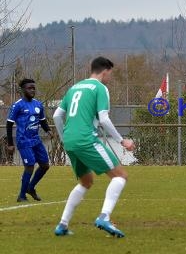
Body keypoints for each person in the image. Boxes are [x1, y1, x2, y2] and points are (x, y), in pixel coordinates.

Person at [52, 57, 135, 238]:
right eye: (110, 74)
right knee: (120, 176)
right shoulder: (100, 88)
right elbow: (104, 119)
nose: (110, 78)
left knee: (86, 181)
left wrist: (64, 138)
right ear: (105, 71)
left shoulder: (74, 87)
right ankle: (104, 217)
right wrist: (122, 141)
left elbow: (57, 116)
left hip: (71, 141)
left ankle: (62, 225)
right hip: (86, 139)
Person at [6, 78, 53, 202]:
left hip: (36, 140)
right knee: (30, 166)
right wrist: (10, 143)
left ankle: (30, 188)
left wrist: (48, 130)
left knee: (45, 165)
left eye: (34, 88)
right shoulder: (17, 105)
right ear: (22, 90)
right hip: (23, 140)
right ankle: (21, 196)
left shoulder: (38, 104)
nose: (32, 90)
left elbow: (42, 120)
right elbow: (9, 124)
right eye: (29, 88)